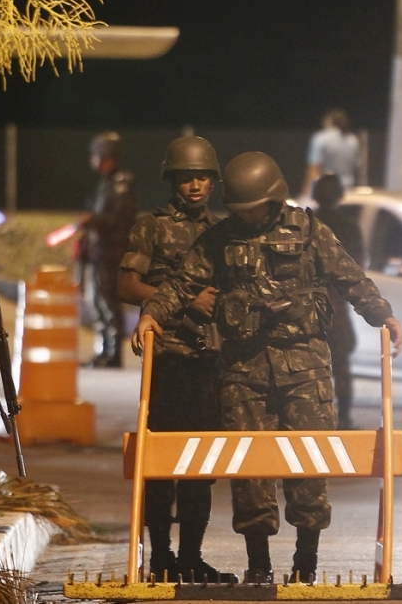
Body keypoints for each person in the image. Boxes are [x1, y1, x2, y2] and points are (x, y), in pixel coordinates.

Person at [133, 151, 402, 584]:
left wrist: (383, 315)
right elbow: (183, 282)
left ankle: (306, 562)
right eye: (239, 210)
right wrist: (154, 313)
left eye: (253, 208)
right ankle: (258, 564)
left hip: (306, 367)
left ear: (273, 199)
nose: (246, 217)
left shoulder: (309, 230)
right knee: (250, 471)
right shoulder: (221, 238)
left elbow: (348, 277)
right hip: (244, 370)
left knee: (310, 464)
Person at [117, 137, 230, 582]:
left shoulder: (223, 230)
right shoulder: (151, 227)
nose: (196, 185)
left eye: (203, 177)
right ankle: (161, 555)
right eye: (187, 178)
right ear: (173, 181)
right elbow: (128, 287)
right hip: (166, 360)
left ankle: (190, 557)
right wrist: (184, 305)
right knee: (162, 462)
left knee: (200, 466)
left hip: (209, 359)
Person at [80, 131, 139, 368]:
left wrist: (92, 220)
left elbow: (117, 219)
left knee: (109, 302)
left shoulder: (123, 183)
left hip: (112, 254)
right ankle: (103, 351)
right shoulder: (106, 184)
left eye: (96, 155)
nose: (93, 161)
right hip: (99, 253)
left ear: (107, 157)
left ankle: (114, 355)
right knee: (98, 301)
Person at [310, 174, 365, 430]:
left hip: (309, 304)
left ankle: (316, 416)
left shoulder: (306, 223)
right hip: (337, 305)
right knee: (341, 366)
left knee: (310, 365)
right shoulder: (349, 226)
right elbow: (357, 267)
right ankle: (343, 417)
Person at [301, 109, 359, 197]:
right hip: (348, 190)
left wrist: (307, 191)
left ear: (329, 121)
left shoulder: (320, 138)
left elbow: (314, 168)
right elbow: (356, 167)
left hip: (326, 190)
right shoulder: (353, 140)